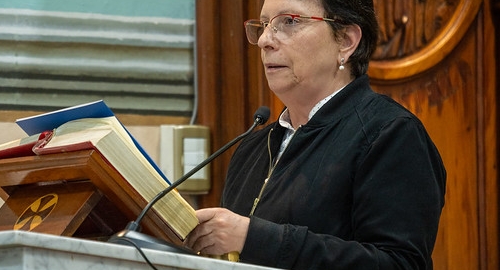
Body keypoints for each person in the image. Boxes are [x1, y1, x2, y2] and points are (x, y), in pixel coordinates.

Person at [184, 0, 446, 269]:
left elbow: (399, 264)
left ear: (345, 40)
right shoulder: (251, 148)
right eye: (263, 25)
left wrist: (255, 238)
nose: (264, 40)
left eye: (289, 21)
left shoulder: (391, 134)